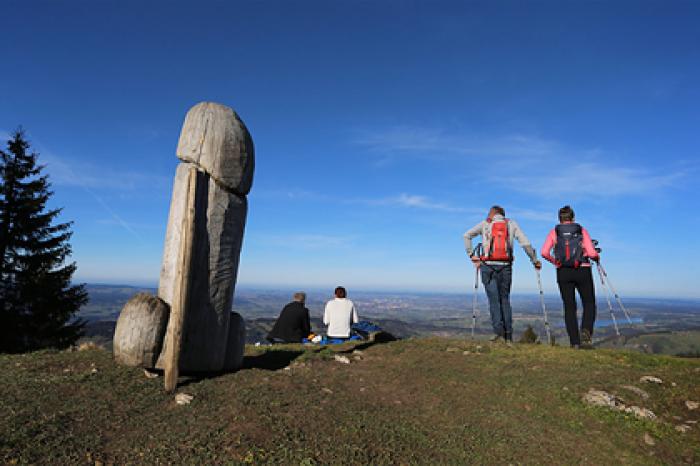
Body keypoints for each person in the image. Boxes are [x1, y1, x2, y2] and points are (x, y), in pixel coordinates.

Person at [464, 205, 542, 343]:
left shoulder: (485, 224)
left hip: (487, 267)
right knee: (504, 300)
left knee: (494, 301)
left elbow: (467, 235)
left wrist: (472, 255)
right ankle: (508, 336)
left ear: (492, 214)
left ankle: (498, 333)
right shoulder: (511, 224)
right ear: (503, 215)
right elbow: (526, 243)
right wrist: (534, 260)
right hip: (506, 267)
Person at [541, 205, 600, 349]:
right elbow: (592, 253)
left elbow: (544, 252)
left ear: (559, 218)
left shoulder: (554, 232)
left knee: (569, 307)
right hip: (582, 270)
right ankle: (586, 334)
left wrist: (556, 262)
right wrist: (596, 257)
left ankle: (574, 342)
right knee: (589, 303)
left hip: (563, 272)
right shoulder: (581, 230)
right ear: (573, 217)